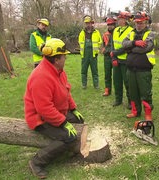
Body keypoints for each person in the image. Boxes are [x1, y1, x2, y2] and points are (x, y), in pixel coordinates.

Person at [24, 38, 84, 179]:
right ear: (56, 59)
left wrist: (73, 108)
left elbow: (66, 91)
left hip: (56, 111)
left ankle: (72, 149)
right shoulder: (41, 77)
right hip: (40, 118)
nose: (66, 58)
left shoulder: (59, 71)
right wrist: (63, 122)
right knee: (68, 137)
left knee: (79, 121)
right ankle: (37, 162)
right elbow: (43, 109)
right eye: (64, 56)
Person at [122, 11, 156, 120]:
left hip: (144, 69)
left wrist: (130, 49)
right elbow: (124, 44)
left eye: (141, 22)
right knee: (133, 92)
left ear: (146, 22)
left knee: (145, 92)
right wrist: (134, 43)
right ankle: (135, 111)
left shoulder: (150, 34)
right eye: (137, 22)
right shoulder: (131, 32)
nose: (139, 25)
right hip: (131, 69)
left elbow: (146, 48)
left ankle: (148, 114)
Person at [111, 11, 134, 108]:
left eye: (120, 19)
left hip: (126, 60)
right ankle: (118, 99)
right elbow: (113, 45)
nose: (118, 21)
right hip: (117, 60)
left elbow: (128, 47)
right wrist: (114, 58)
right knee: (117, 81)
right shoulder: (115, 30)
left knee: (128, 82)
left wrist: (115, 53)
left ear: (125, 20)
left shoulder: (131, 31)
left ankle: (130, 101)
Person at [78, 15, 102, 89]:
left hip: (93, 54)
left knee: (95, 71)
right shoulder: (82, 32)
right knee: (83, 71)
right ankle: (84, 84)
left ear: (92, 23)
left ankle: (96, 85)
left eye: (89, 23)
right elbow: (80, 41)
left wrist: (97, 49)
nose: (88, 24)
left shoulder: (96, 32)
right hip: (85, 54)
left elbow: (100, 41)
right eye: (86, 23)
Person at [101, 17, 117, 96]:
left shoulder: (117, 33)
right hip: (107, 57)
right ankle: (107, 90)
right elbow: (104, 44)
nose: (110, 26)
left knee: (116, 76)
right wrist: (104, 49)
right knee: (107, 74)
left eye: (111, 24)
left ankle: (117, 91)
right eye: (109, 25)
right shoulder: (105, 34)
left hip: (115, 56)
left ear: (114, 25)